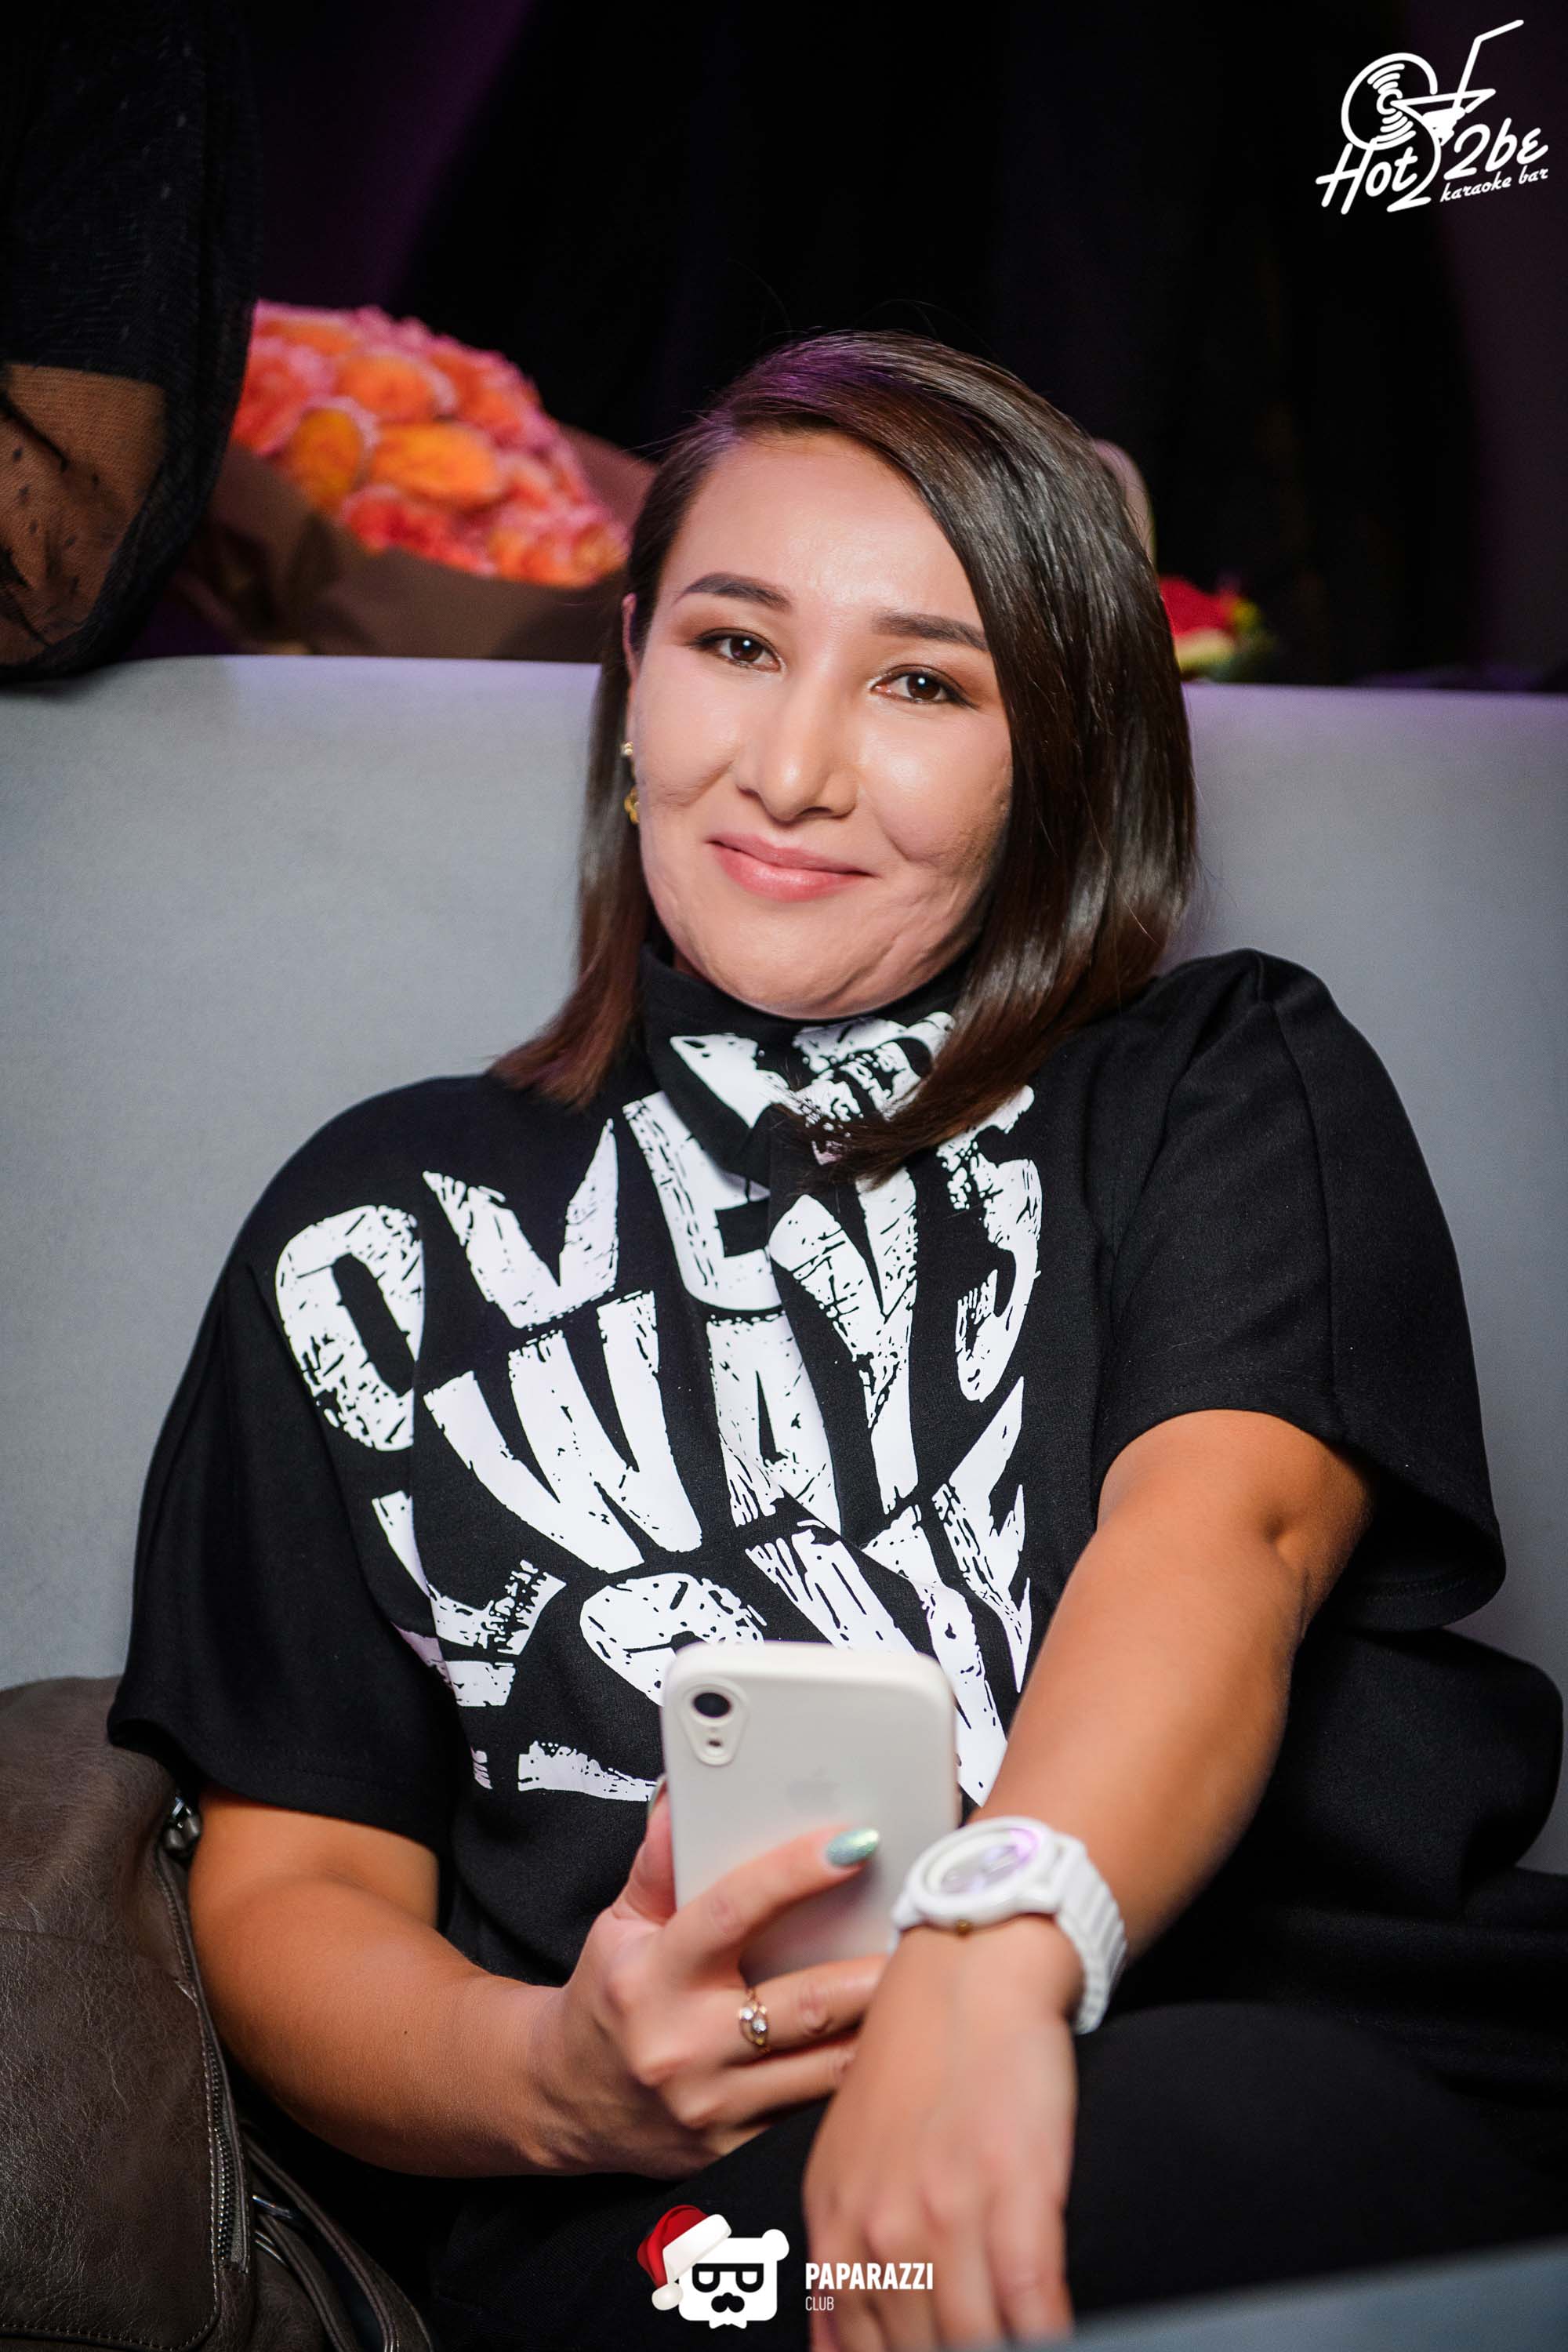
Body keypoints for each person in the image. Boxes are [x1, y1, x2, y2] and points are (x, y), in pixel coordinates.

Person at [106, 328, 1568, 2351]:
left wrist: (990, 1960)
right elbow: (293, 1890)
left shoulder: (1220, 1079)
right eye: (733, 644)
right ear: (633, 670)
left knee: (1172, 2165)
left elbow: (1222, 1539)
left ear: (1061, 750)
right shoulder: (374, 1230)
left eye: (924, 683)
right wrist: (553, 2081)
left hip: (1307, 2052)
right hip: (679, 2208)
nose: (791, 770)